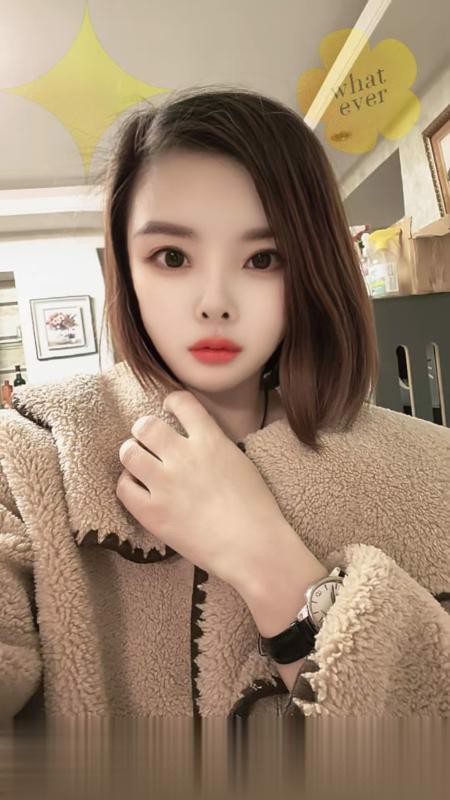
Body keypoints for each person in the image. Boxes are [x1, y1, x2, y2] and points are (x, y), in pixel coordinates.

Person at [0, 85, 449, 724]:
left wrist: (266, 558)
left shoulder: (431, 470)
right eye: (172, 257)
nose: (214, 302)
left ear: (313, 268)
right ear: (126, 268)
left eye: (263, 258)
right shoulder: (31, 454)